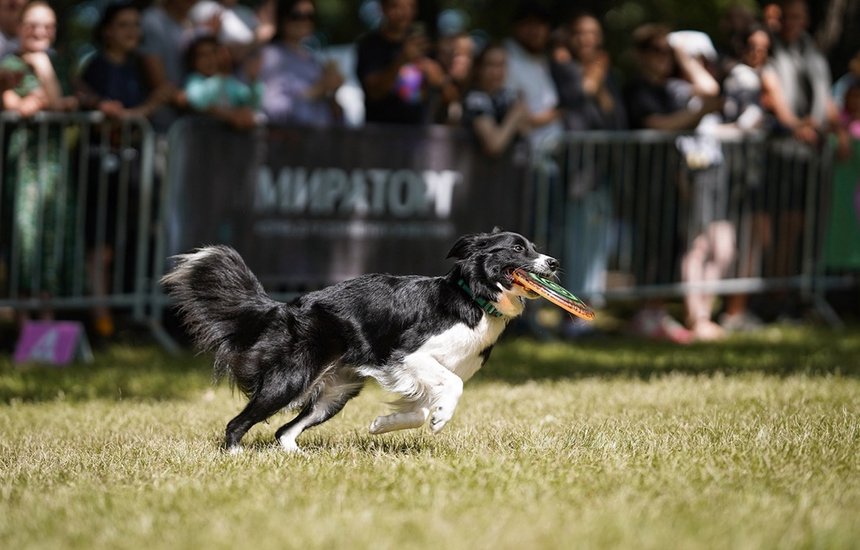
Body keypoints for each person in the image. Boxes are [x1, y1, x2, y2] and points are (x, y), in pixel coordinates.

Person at [623, 24, 723, 343]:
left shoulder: (671, 88)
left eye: (667, 52)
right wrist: (696, 116)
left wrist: (684, 55)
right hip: (644, 181)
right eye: (655, 50)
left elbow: (709, 90)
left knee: (670, 244)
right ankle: (646, 316)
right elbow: (657, 125)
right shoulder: (637, 88)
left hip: (671, 179)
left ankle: (658, 313)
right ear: (640, 55)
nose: (662, 57)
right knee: (651, 247)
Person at [0, 1, 78, 324]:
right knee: (24, 238)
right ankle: (23, 326)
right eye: (33, 24)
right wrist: (36, 102)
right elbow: (13, 104)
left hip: (55, 164)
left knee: (53, 237)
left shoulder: (57, 63)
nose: (40, 31)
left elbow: (64, 102)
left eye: (48, 26)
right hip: (24, 162)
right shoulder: (8, 64)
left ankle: (47, 326)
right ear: (19, 26)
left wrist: (44, 71)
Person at [355, 0, 446, 125]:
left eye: (410, 6)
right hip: (380, 134)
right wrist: (402, 60)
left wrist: (440, 81)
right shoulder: (370, 46)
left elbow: (447, 95)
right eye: (396, 6)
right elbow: (374, 91)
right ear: (383, 8)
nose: (404, 13)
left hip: (419, 135)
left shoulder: (425, 45)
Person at [259, 0, 343, 127]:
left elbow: (335, 119)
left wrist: (332, 93)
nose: (305, 22)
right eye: (297, 16)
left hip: (318, 143)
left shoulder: (314, 62)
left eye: (310, 16)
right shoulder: (270, 56)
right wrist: (317, 90)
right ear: (282, 18)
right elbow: (272, 110)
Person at [551, 12, 625, 131]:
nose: (585, 39)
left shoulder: (607, 72)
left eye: (592, 33)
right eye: (579, 33)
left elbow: (610, 108)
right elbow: (586, 90)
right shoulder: (562, 66)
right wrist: (598, 70)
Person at [503, 1, 562, 150]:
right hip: (523, 155)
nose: (535, 31)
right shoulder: (504, 59)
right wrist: (556, 114)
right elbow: (515, 116)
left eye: (540, 24)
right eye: (528, 23)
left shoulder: (542, 60)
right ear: (516, 27)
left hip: (548, 155)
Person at [461, 41, 529, 157]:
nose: (496, 72)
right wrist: (515, 115)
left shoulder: (505, 96)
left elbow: (525, 128)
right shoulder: (476, 99)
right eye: (491, 65)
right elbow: (494, 145)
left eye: (501, 65)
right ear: (479, 68)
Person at [139, 0, 196, 131]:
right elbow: (160, 85)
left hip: (189, 126)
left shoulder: (192, 23)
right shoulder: (152, 21)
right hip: (160, 125)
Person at [183, 33, 261, 130]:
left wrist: (253, 81)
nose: (210, 59)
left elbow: (251, 102)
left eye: (213, 53)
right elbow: (198, 100)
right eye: (203, 55)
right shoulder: (194, 80)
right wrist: (220, 76)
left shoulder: (229, 81)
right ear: (193, 61)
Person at [434, 31, 474, 124]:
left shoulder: (477, 92)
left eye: (466, 54)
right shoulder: (431, 84)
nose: (459, 60)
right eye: (455, 54)